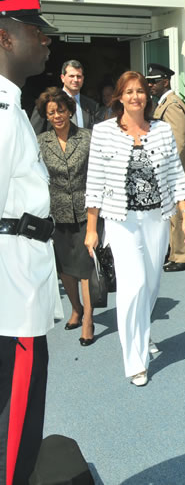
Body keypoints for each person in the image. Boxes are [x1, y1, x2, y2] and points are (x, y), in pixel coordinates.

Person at [84, 70, 185, 387]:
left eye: (140, 91)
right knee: (133, 286)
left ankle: (142, 333)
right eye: (128, 91)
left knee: (150, 285)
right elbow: (95, 182)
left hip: (156, 219)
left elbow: (175, 174)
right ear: (119, 96)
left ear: (147, 96)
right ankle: (135, 361)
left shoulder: (160, 131)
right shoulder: (104, 132)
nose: (135, 96)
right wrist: (92, 228)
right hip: (122, 221)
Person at [0, 0, 62, 485]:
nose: (46, 40)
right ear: (3, 38)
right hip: (12, 295)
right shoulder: (1, 111)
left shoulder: (12, 106)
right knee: (14, 432)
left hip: (17, 288)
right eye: (34, 30)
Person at [35, 87, 97, 346]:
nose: (57, 115)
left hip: (86, 210)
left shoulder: (87, 137)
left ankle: (88, 320)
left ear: (70, 111)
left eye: (61, 110)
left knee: (85, 267)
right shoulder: (40, 142)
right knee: (65, 269)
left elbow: (97, 172)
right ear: (46, 116)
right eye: (52, 112)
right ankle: (75, 308)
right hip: (56, 212)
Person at [145, 63, 185, 273]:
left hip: (175, 169)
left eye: (153, 82)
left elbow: (178, 141)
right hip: (168, 168)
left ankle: (184, 256)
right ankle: (176, 252)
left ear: (165, 82)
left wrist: (166, 170)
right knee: (171, 215)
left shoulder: (173, 104)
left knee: (177, 215)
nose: (150, 85)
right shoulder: (162, 103)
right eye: (148, 81)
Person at [30, 59, 100, 133]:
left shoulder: (92, 105)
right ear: (62, 78)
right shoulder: (47, 101)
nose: (75, 80)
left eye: (78, 76)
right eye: (71, 76)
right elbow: (34, 133)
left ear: (83, 79)